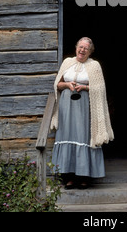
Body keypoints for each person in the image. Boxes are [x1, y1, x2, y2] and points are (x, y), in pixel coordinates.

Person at [51, 37, 114, 189]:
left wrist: (84, 88)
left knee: (83, 136)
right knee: (67, 135)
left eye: (86, 48)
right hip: (66, 107)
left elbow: (100, 88)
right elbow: (57, 85)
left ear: (90, 51)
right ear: (76, 48)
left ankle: (84, 177)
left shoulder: (94, 66)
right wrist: (67, 84)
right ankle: (69, 177)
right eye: (80, 46)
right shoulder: (67, 62)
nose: (82, 50)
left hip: (85, 106)